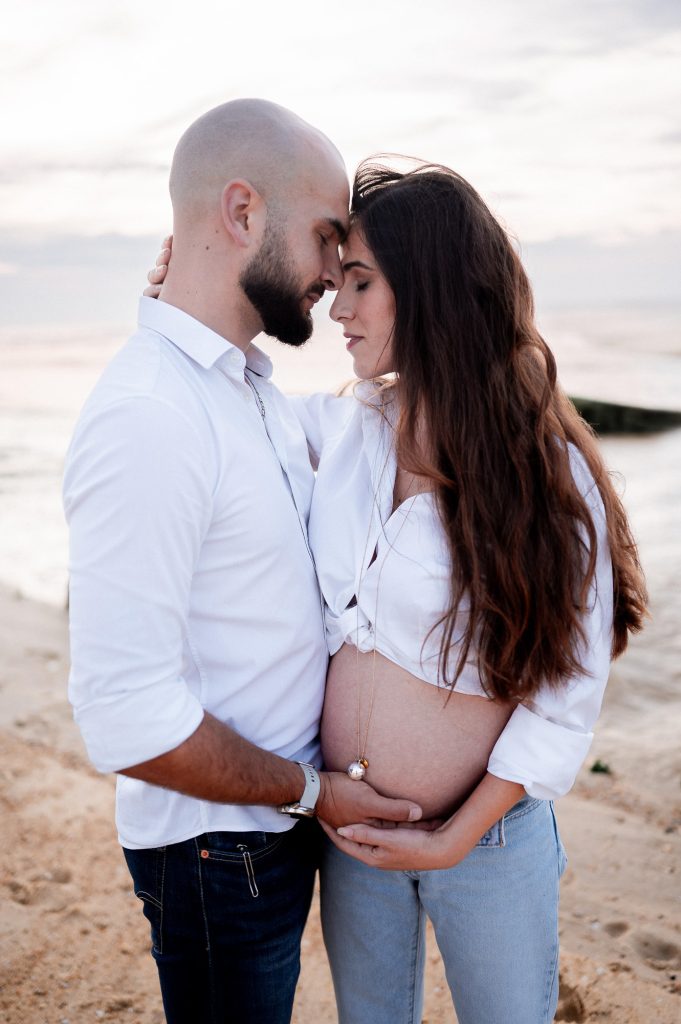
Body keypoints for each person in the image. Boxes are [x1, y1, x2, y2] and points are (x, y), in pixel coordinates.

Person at [147, 160, 647, 1023]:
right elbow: (230, 405)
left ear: (433, 289)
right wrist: (176, 300)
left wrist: (455, 834)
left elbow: (567, 693)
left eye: (360, 283)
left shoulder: (541, 469)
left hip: (483, 840)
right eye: (337, 282)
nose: (336, 309)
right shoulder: (349, 428)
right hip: (350, 836)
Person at [63, 101, 422, 1024]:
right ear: (241, 212)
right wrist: (313, 793)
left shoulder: (243, 388)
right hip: (217, 849)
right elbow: (128, 720)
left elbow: (390, 426)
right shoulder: (152, 415)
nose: (334, 276)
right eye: (326, 240)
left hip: (266, 831)